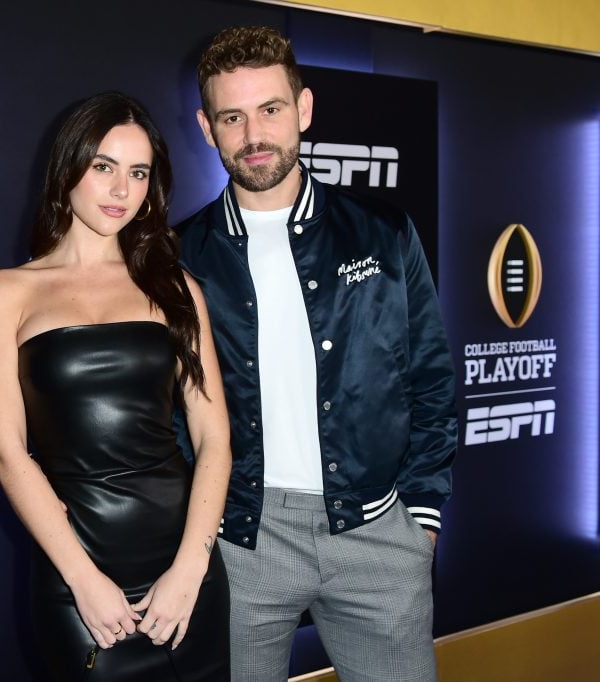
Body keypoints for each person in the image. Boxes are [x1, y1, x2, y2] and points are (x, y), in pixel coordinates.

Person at [174, 26, 458, 682]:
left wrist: (420, 517)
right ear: (206, 127)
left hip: (378, 529)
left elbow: (431, 377)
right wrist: (200, 533)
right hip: (241, 538)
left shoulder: (383, 233)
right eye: (232, 116)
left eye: (271, 110)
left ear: (303, 109)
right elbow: (166, 416)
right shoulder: (178, 255)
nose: (254, 135)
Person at [0, 91, 232, 681]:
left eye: (138, 172)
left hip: (185, 568)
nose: (121, 190)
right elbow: (6, 452)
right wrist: (83, 579)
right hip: (78, 575)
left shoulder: (176, 289)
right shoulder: (7, 293)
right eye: (103, 167)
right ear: (68, 168)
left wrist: (191, 570)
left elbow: (214, 437)